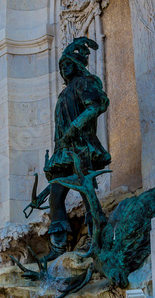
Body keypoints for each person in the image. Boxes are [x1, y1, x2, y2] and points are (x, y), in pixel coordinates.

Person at [42, 36, 110, 261]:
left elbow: (98, 105)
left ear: (77, 64)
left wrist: (75, 127)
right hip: (63, 151)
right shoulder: (64, 93)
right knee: (55, 195)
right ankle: (58, 246)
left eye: (68, 64)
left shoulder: (85, 83)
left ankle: (95, 235)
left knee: (85, 191)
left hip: (81, 147)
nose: (64, 69)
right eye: (62, 66)